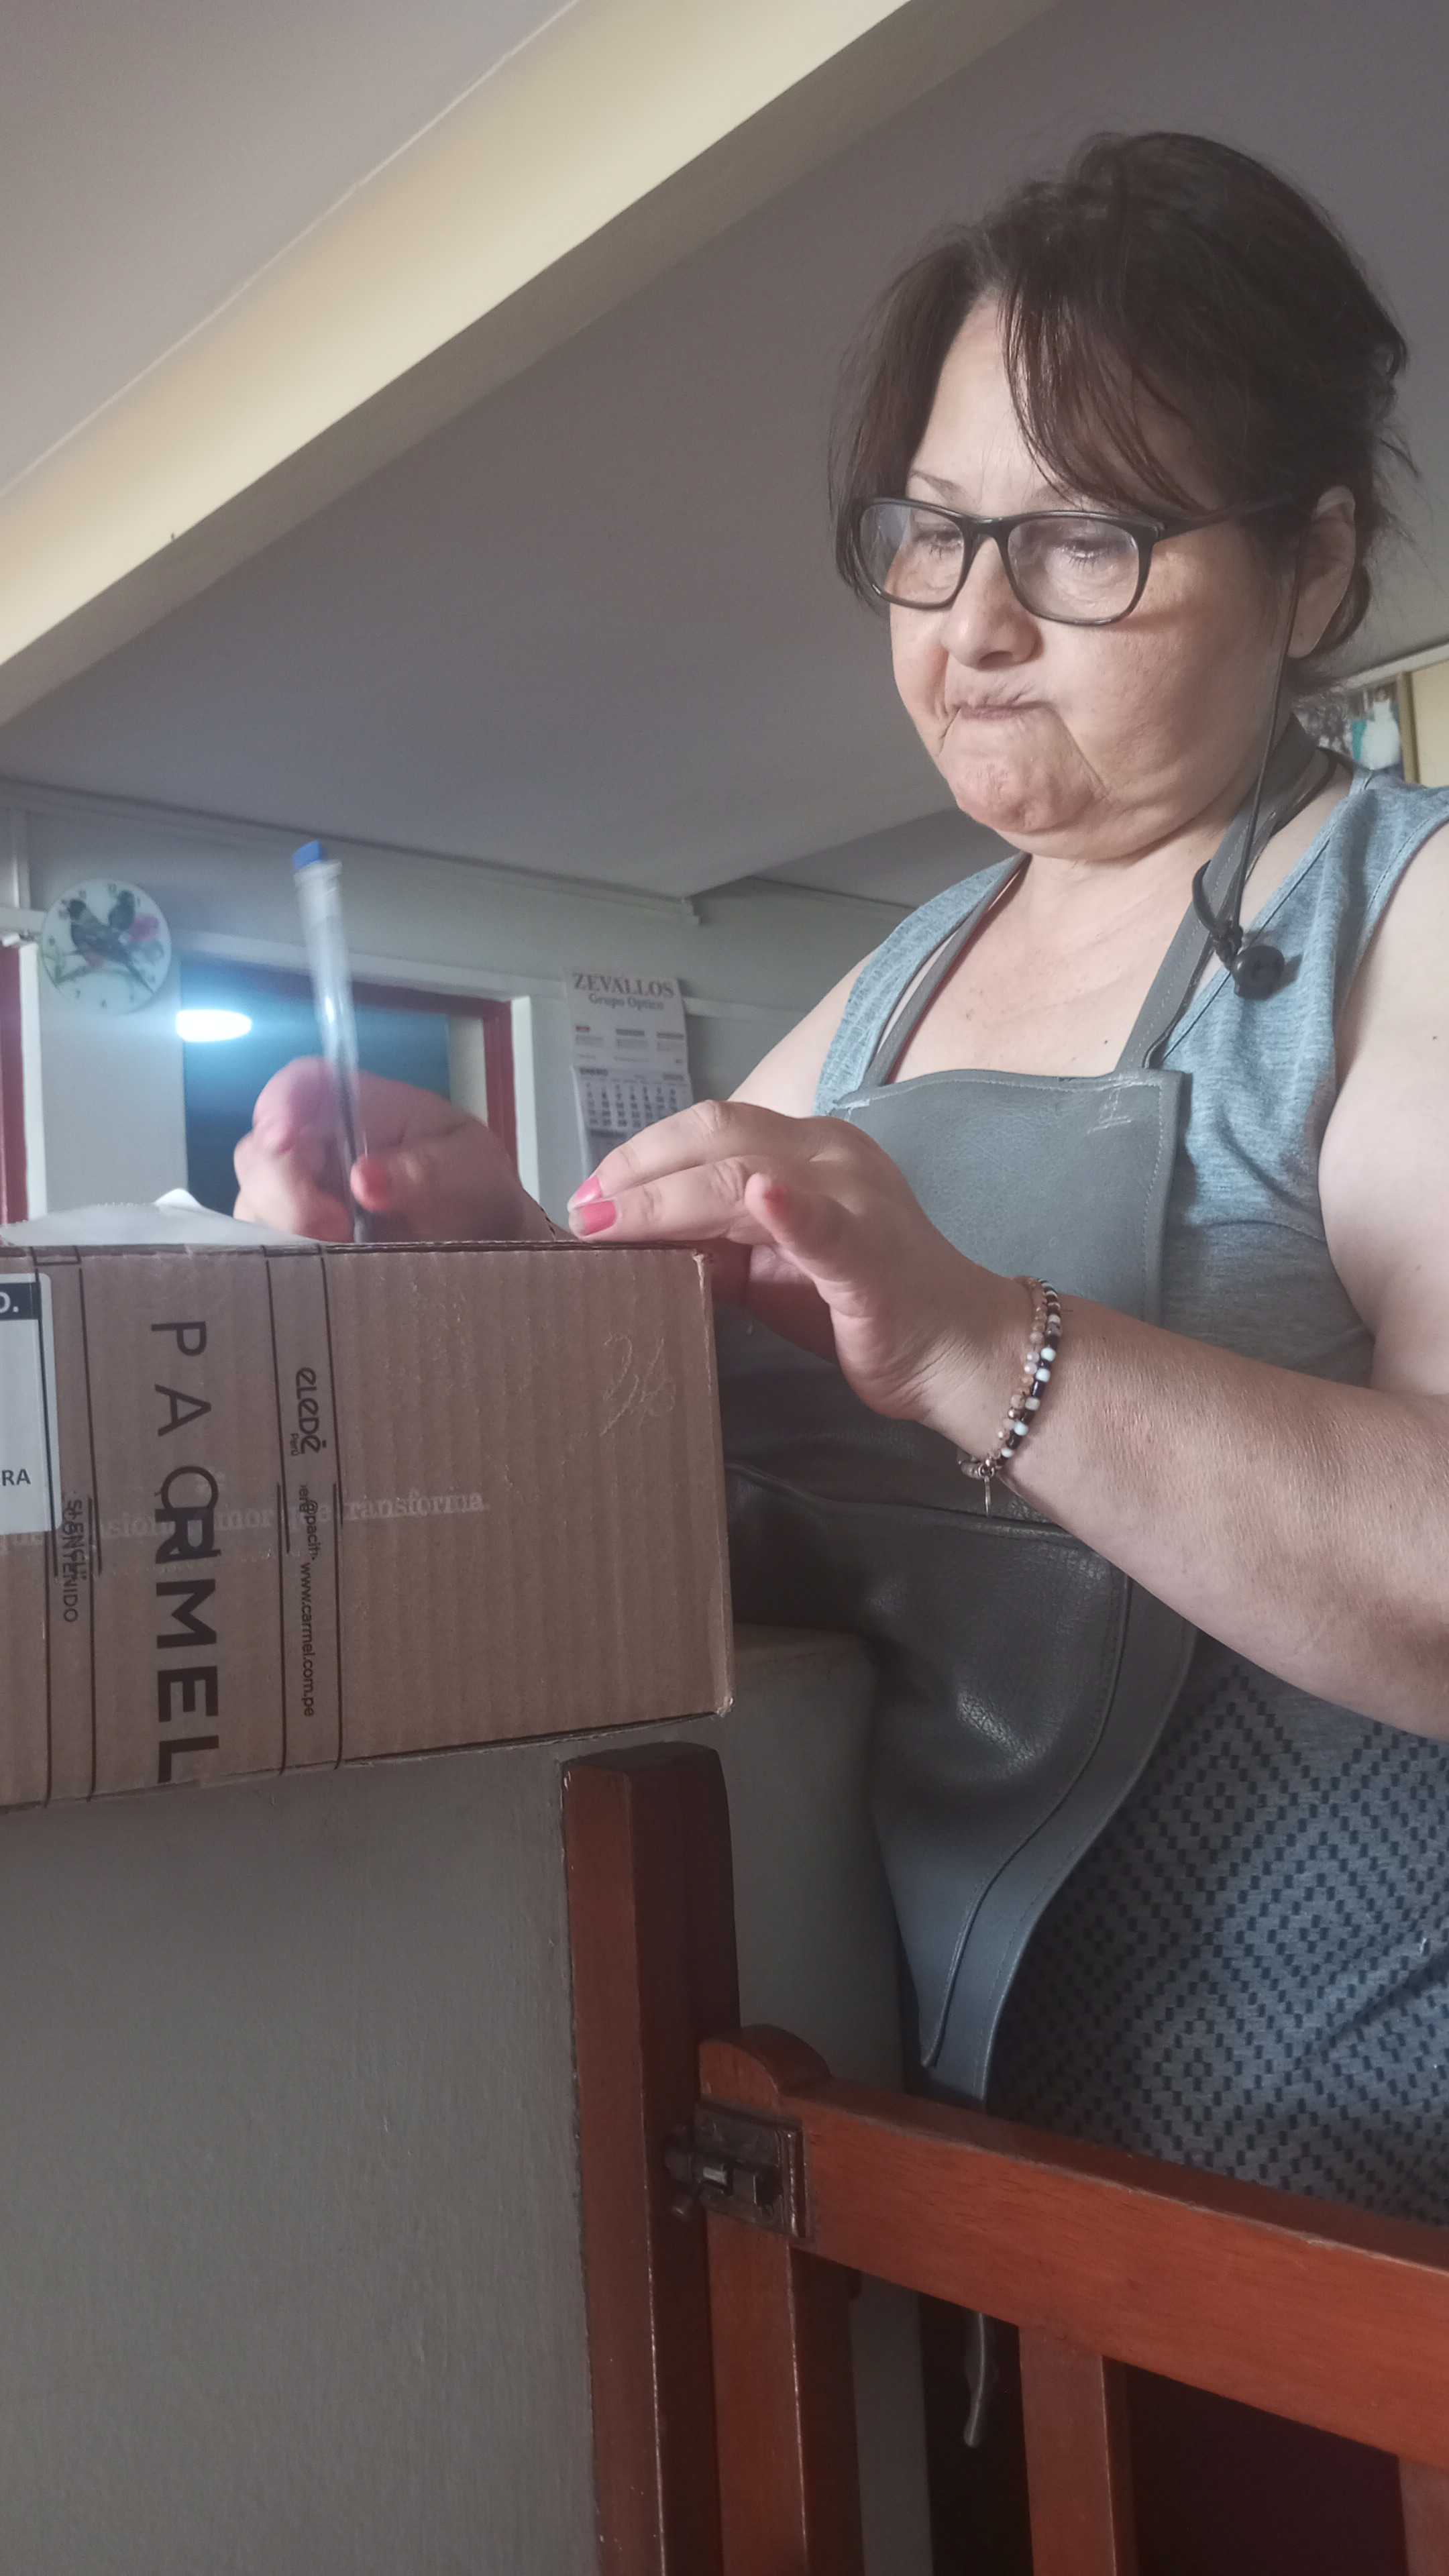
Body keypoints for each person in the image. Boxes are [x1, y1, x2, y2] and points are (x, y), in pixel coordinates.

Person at [238, 131, 1449, 2567]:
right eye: (934, 531)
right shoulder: (888, 991)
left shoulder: (1394, 926)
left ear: (1315, 565)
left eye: (1085, 539)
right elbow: (688, 1440)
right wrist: (494, 1260)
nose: (977, 623)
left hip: (1343, 2246)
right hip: (939, 2202)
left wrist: (987, 1339)